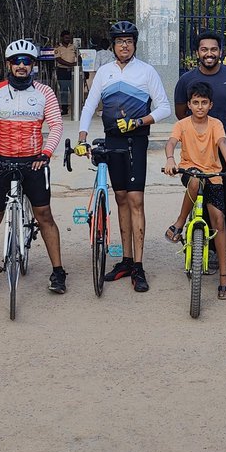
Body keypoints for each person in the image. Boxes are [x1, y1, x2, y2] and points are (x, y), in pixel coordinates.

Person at [77, 20, 170, 293]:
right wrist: (82, 138)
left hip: (135, 140)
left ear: (135, 44)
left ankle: (139, 266)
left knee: (135, 199)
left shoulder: (146, 71)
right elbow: (89, 105)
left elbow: (164, 107)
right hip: (112, 140)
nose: (124, 45)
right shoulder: (104, 72)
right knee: (120, 199)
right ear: (113, 45)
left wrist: (141, 121)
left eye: (129, 41)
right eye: (120, 41)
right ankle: (126, 260)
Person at [0, 37, 66, 298]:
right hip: (0, 162)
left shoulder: (45, 93)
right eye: (16, 61)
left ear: (33, 65)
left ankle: (58, 270)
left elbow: (56, 125)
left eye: (27, 61)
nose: (21, 66)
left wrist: (46, 154)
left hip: (33, 161)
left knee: (44, 216)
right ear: (8, 64)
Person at [173, 29, 226, 277]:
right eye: (204, 49)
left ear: (221, 51)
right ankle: (201, 251)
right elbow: (181, 113)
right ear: (198, 52)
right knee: (202, 201)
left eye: (213, 49)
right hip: (197, 156)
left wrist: (222, 135)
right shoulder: (186, 80)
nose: (209, 53)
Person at [163, 81, 226, 299]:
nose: (199, 107)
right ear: (188, 104)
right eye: (195, 102)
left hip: (213, 175)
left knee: (219, 221)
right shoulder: (182, 124)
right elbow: (170, 143)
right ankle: (179, 223)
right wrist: (170, 160)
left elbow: (223, 144)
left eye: (204, 103)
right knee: (195, 180)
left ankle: (224, 278)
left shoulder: (216, 124)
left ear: (210, 104)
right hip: (190, 172)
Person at [53, 30, 78, 116]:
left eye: (69, 38)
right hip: (62, 70)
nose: (68, 39)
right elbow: (58, 59)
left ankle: (76, 108)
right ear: (62, 38)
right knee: (64, 90)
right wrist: (71, 64)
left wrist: (78, 65)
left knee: (74, 89)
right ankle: (64, 109)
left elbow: (79, 56)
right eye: (66, 38)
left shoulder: (73, 47)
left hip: (73, 71)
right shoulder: (58, 47)